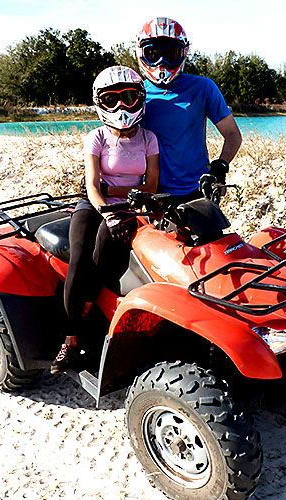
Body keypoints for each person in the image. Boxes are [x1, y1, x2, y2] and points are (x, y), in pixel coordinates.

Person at [51, 66, 159, 374]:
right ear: (100, 103)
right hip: (94, 206)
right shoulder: (96, 137)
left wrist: (121, 194)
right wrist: (108, 208)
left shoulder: (149, 138)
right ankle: (69, 340)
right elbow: (93, 187)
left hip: (132, 208)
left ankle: (89, 311)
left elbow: (151, 185)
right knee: (79, 258)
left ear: (139, 99)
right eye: (111, 99)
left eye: (128, 97)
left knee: (104, 257)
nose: (121, 106)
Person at [136, 17, 242, 203]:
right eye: (153, 53)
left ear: (183, 53)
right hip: (154, 193)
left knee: (212, 233)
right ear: (141, 53)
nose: (162, 61)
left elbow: (233, 134)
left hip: (200, 190)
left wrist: (220, 167)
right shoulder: (136, 94)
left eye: (170, 53)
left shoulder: (204, 87)